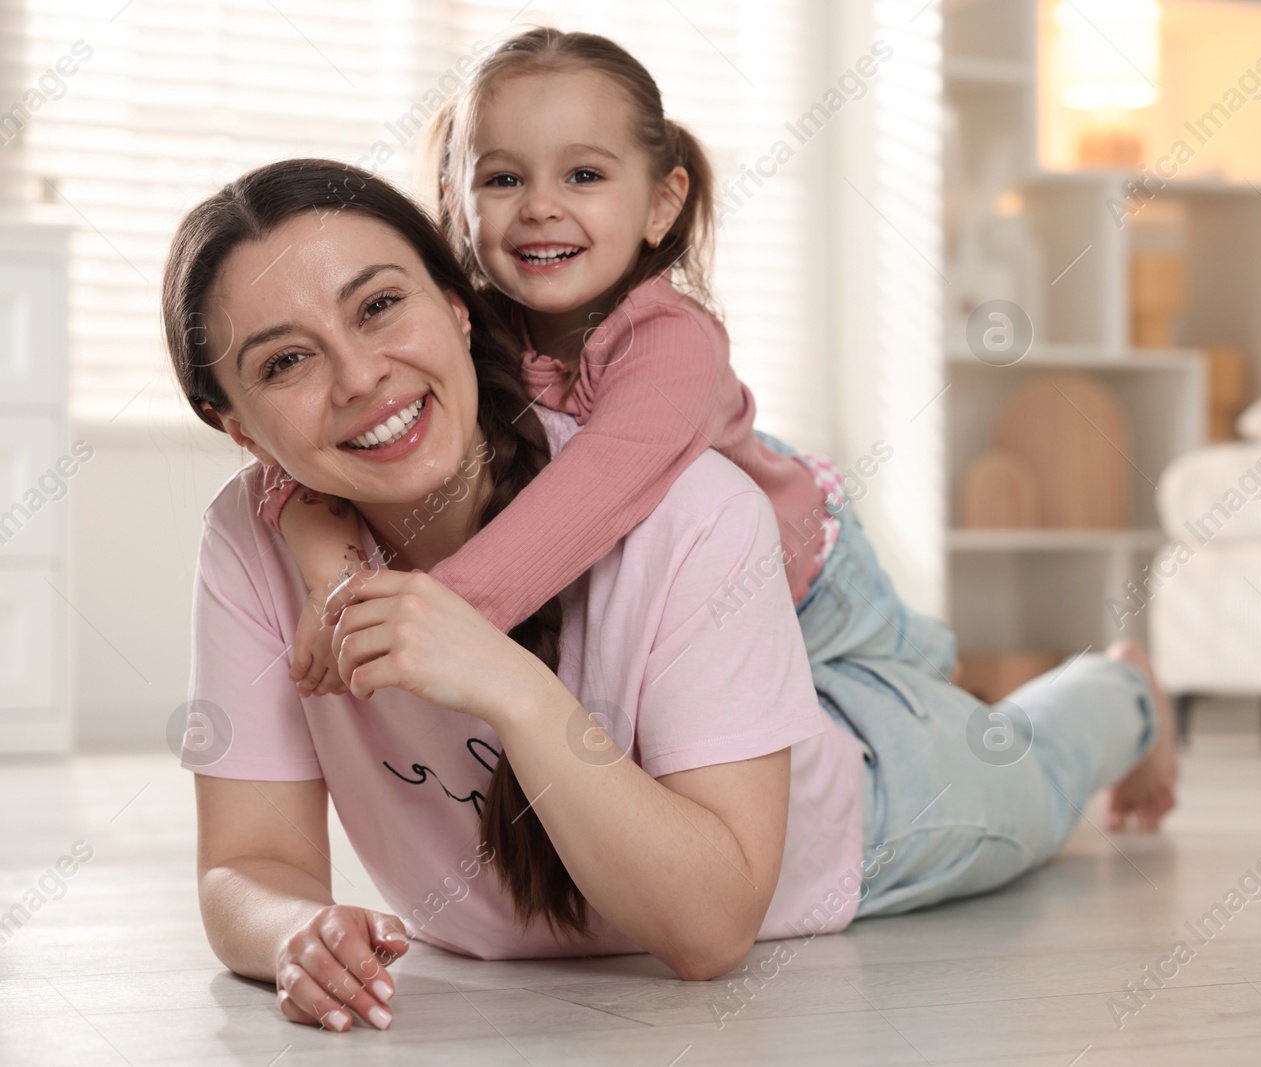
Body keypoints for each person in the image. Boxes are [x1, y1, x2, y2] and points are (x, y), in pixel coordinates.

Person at [165, 157, 1176, 1036]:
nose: (358, 374)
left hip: (868, 808)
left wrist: (508, 683)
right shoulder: (252, 536)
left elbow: (707, 931)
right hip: (736, 695)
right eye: (287, 360)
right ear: (239, 426)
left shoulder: (690, 506)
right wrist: (295, 929)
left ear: (457, 302)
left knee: (1037, 768)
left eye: (379, 304)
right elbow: (245, 863)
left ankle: (1122, 685)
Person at [253, 28, 946, 700]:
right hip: (681, 602)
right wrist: (335, 575)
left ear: (661, 204)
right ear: (456, 204)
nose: (541, 206)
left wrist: (435, 616)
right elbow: (288, 453)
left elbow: (591, 493)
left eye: (583, 175)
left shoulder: (675, 344)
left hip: (812, 583)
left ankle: (942, 668)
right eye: (502, 179)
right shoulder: (466, 323)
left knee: (902, 717)